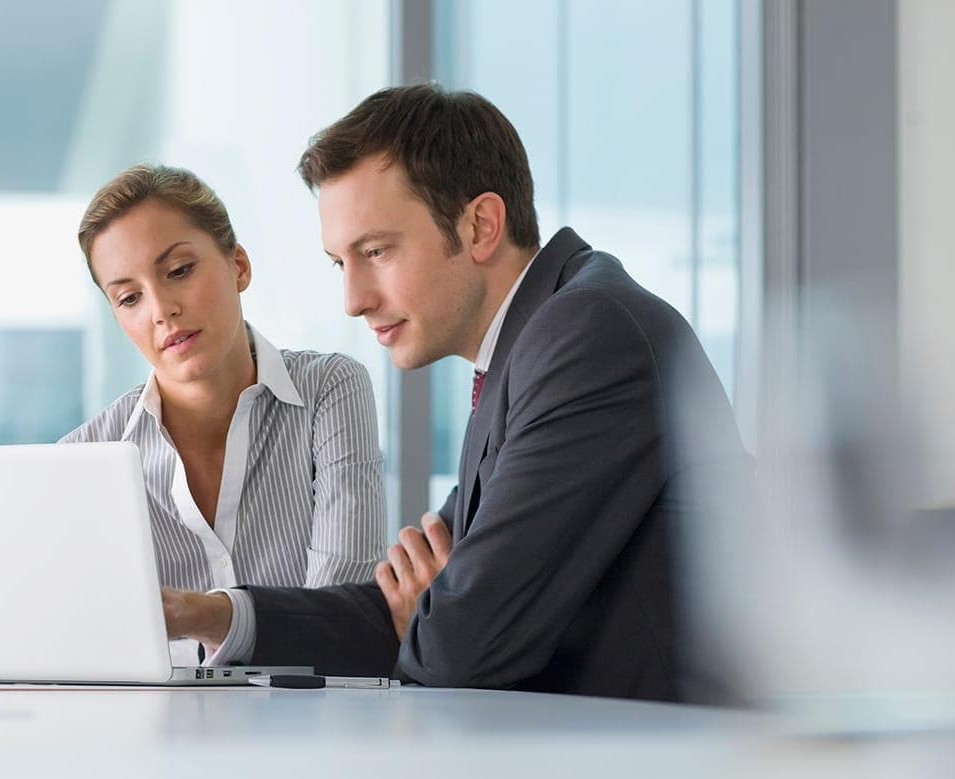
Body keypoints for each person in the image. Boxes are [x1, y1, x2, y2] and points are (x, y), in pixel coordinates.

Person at [161, 85, 751, 702]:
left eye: (377, 251)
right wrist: (203, 614)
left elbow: (461, 645)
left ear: (481, 226)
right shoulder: (525, 351)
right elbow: (408, 609)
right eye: (341, 262)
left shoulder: (587, 336)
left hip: (669, 776)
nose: (354, 298)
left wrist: (439, 612)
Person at [63, 164, 386, 663]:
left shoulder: (330, 391)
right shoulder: (84, 458)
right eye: (129, 297)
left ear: (238, 265)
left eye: (179, 271)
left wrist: (202, 614)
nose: (161, 309)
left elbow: (344, 623)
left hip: (311, 730)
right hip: (151, 734)